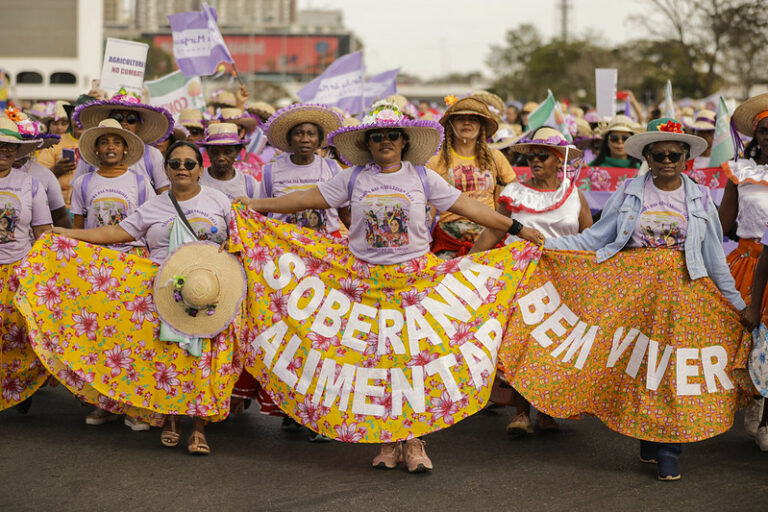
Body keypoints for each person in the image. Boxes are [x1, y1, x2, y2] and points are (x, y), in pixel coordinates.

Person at [235, 101, 544, 473]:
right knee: (375, 365)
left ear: (403, 141)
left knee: (413, 364)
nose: (385, 141)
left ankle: (414, 442)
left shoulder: (422, 177)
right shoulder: (353, 177)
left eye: (391, 136)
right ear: (367, 143)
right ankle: (387, 441)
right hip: (363, 285)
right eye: (377, 136)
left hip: (415, 284)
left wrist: (518, 229)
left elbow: (468, 208)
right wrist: (256, 204)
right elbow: (305, 199)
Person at [545, 117, 746, 481]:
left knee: (672, 369)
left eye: (674, 154)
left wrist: (737, 304)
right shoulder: (629, 191)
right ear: (648, 158)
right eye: (659, 154)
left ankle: (670, 448)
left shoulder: (699, 196)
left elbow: (715, 256)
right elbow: (595, 239)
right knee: (640, 368)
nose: (667, 160)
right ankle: (648, 434)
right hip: (633, 293)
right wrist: (545, 246)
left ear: (686, 158)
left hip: (685, 297)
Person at [52, 141, 238, 455]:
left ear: (200, 170)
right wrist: (69, 234)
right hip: (165, 291)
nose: (182, 169)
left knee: (203, 362)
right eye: (175, 163)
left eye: (189, 164)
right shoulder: (154, 205)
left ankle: (199, 428)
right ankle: (171, 419)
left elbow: (240, 240)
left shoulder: (219, 201)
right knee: (168, 358)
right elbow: (116, 233)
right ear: (166, 169)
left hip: (212, 291)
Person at [469, 127, 593, 437]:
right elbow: (494, 231)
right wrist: (467, 262)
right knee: (522, 341)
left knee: (552, 343)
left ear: (558, 160)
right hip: (522, 278)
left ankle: (548, 411)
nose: (534, 161)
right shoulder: (514, 193)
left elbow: (589, 235)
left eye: (542, 156)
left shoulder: (575, 194)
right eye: (530, 156)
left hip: (564, 278)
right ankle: (522, 412)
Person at [720, 92, 768, 445]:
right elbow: (721, 223)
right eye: (765, 130)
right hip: (747, 264)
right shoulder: (740, 172)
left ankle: (762, 414)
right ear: (756, 136)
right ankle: (751, 403)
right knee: (744, 339)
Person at [0, 116, 53, 413]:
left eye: (9, 147)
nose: (3, 152)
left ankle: (20, 386)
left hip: (17, 272)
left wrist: (44, 274)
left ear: (16, 151)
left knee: (19, 336)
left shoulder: (30, 185)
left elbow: (43, 232)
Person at [428, 97, 517, 258]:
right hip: (449, 241)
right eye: (461, 119)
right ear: (451, 125)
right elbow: (429, 207)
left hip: (489, 238)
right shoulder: (435, 160)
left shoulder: (495, 157)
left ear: (481, 126)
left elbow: (514, 197)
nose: (467, 123)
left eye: (473, 119)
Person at [260, 103, 348, 236]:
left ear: (319, 141)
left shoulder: (332, 168)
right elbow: (261, 213)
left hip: (327, 246)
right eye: (298, 134)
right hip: (285, 247)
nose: (305, 139)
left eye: (311, 134)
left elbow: (345, 214)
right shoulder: (270, 171)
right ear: (289, 140)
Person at [72, 91, 172, 194]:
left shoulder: (152, 154)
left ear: (139, 125)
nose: (124, 122)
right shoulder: (91, 152)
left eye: (131, 119)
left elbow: (163, 192)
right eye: (118, 117)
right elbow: (77, 189)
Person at [36, 95, 97, 210]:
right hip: (62, 209)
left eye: (86, 115)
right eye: (76, 115)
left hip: (95, 208)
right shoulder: (55, 143)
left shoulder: (105, 144)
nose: (80, 120)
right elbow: (37, 181)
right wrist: (55, 170)